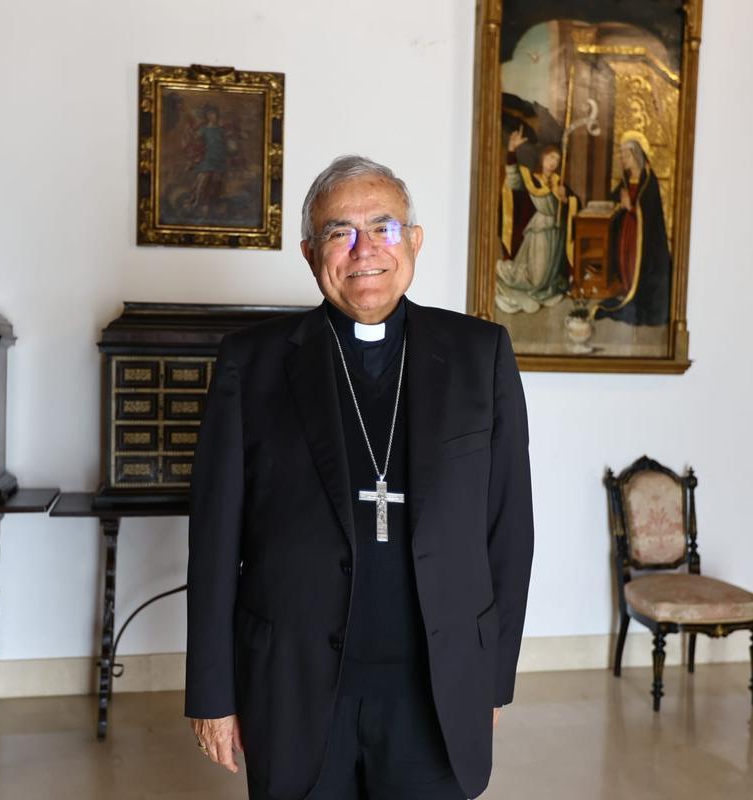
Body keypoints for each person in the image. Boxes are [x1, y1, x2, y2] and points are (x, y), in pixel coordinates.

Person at [186, 155, 535, 800]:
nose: (364, 249)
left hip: (435, 684)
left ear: (415, 241)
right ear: (309, 252)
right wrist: (212, 694)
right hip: (295, 684)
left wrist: (491, 676)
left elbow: (508, 530)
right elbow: (212, 545)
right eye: (340, 231)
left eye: (384, 226)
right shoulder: (251, 363)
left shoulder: (479, 354)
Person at [497, 127, 577, 314]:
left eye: (556, 160)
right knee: (536, 277)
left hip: (556, 234)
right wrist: (511, 151)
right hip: (539, 232)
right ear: (543, 158)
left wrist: (566, 200)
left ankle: (543, 289)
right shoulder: (533, 180)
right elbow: (514, 182)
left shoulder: (559, 182)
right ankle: (505, 271)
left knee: (548, 276)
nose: (553, 163)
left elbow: (573, 204)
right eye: (550, 158)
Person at [597, 131, 672, 326]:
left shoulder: (648, 181)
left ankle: (634, 294)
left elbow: (649, 213)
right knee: (624, 260)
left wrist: (630, 206)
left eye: (625, 154)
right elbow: (614, 198)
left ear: (636, 155)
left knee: (634, 262)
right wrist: (616, 205)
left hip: (643, 238)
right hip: (627, 230)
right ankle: (627, 290)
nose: (622, 158)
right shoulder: (626, 178)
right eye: (621, 154)